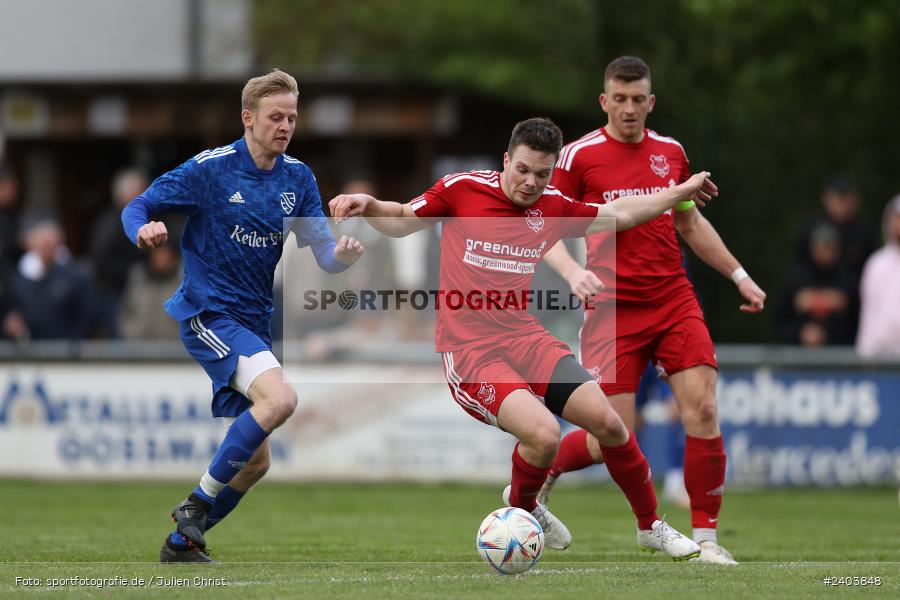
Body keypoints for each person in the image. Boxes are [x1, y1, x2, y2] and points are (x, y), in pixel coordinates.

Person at [330, 117, 717, 560]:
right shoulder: (462, 189)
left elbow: (619, 214)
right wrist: (370, 203)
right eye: (523, 170)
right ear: (506, 162)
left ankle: (650, 527)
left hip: (524, 337)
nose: (531, 182)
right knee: (545, 435)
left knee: (610, 423)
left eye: (542, 174)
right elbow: (401, 219)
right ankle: (525, 504)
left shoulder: (551, 205)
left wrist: (679, 192)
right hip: (471, 352)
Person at [121, 69, 364, 562]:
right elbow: (140, 204)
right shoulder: (212, 169)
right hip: (208, 313)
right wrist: (142, 230)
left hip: (252, 323)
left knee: (255, 464)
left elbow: (322, 254)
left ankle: (181, 542)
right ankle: (194, 505)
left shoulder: (298, 177)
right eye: (276, 116)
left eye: (292, 117)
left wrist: (344, 257)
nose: (286, 126)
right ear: (248, 118)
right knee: (281, 399)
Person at [537, 57, 766, 565]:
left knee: (703, 409)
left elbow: (689, 224)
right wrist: (574, 273)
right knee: (608, 439)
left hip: (672, 300)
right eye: (619, 99)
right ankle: (541, 475)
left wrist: (739, 275)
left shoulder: (671, 153)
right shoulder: (578, 157)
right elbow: (544, 227)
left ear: (651, 102)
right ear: (604, 101)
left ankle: (706, 540)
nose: (629, 108)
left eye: (638, 99)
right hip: (612, 311)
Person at [3, 219, 92, 341]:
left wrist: (75, 341)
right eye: (42, 245)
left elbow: (85, 313)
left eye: (49, 245)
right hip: (30, 349)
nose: (46, 251)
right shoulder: (19, 279)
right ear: (32, 247)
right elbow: (13, 311)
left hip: (65, 348)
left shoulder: (73, 277)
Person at [776, 223, 857, 346]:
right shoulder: (795, 279)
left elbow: (862, 322)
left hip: (840, 354)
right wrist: (800, 333)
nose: (825, 252)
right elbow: (779, 321)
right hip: (799, 356)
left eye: (829, 247)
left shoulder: (849, 280)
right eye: (821, 246)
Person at [90, 168, 148, 338]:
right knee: (122, 339)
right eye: (142, 191)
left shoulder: (136, 218)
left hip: (129, 291)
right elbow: (104, 260)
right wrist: (137, 272)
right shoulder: (113, 222)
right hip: (115, 293)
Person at [856, 194, 900, 357]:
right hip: (879, 356)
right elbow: (869, 313)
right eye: (897, 218)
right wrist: (864, 353)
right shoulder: (877, 264)